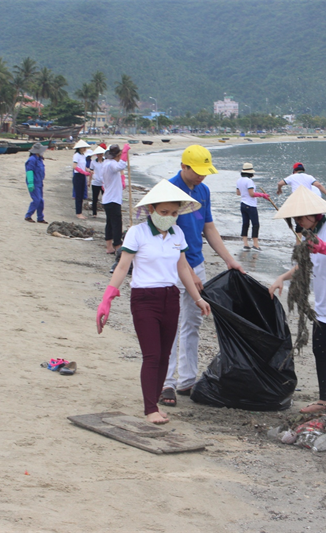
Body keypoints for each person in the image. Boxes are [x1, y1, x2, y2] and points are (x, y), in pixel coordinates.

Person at [96, 180, 211, 424]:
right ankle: (150, 409)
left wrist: (197, 298)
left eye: (174, 213)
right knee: (152, 355)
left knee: (165, 353)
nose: (169, 217)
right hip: (144, 299)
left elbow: (182, 267)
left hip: (171, 297)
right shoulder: (137, 233)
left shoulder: (177, 233)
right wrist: (107, 298)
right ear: (151, 210)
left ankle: (155, 404)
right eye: (164, 212)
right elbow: (122, 267)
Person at [159, 145, 245, 407]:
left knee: (193, 322)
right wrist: (185, 272)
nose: (202, 177)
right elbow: (164, 234)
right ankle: (166, 383)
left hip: (197, 264)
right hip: (171, 266)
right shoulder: (167, 191)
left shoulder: (203, 191)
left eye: (205, 173)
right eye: (197, 172)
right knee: (170, 324)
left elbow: (208, 227)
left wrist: (230, 260)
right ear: (183, 166)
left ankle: (187, 379)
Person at [268, 186, 326, 423]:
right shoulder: (308, 235)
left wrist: (322, 247)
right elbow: (305, 264)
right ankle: (325, 400)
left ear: (315, 214)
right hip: (323, 305)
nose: (299, 221)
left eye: (302, 217)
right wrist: (281, 277)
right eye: (296, 218)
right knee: (319, 350)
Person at [101, 144, 130, 253]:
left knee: (109, 223)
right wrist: (125, 153)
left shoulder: (105, 164)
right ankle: (117, 246)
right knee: (117, 223)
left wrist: (122, 179)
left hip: (108, 198)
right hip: (112, 199)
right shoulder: (111, 164)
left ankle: (109, 247)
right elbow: (121, 166)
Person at [235, 162, 270, 251]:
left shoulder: (239, 180)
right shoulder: (249, 181)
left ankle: (245, 243)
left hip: (243, 204)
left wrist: (245, 193)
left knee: (245, 223)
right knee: (255, 224)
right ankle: (255, 244)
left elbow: (238, 193)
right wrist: (262, 195)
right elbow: (251, 194)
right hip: (250, 205)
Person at [24, 143, 48, 223]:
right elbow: (29, 171)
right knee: (36, 200)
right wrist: (31, 183)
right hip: (34, 183)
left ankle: (40, 218)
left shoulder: (40, 159)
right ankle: (28, 216)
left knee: (41, 201)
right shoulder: (32, 159)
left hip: (39, 182)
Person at [72, 140, 93, 220]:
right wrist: (83, 172)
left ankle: (80, 212)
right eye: (83, 147)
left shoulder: (83, 155)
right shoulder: (76, 155)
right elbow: (74, 166)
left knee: (82, 194)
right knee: (78, 195)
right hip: (78, 176)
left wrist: (88, 170)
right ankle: (78, 213)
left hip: (82, 175)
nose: (84, 149)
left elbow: (83, 166)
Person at [90, 144, 108, 218]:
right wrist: (89, 181)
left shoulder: (105, 161)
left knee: (106, 198)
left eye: (101, 154)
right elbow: (91, 171)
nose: (100, 155)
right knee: (95, 198)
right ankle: (94, 213)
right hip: (95, 182)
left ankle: (107, 213)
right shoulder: (93, 162)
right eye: (98, 154)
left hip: (104, 183)